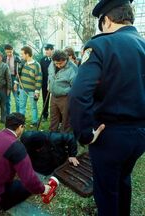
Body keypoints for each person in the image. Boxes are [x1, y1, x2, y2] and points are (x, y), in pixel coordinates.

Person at [69, 0, 145, 215]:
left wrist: (85, 134)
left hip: (109, 135)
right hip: (140, 135)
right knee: (123, 181)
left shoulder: (101, 45)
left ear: (107, 20)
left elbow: (78, 95)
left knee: (106, 192)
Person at [0, 113, 50, 216]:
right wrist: (43, 189)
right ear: (20, 127)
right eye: (23, 127)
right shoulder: (17, 147)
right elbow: (29, 180)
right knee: (24, 187)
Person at [48, 50, 77, 133]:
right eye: (56, 63)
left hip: (65, 98)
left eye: (60, 63)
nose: (58, 65)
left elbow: (75, 87)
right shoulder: (52, 64)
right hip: (53, 96)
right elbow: (50, 75)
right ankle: (52, 135)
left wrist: (65, 91)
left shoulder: (73, 69)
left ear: (65, 59)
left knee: (66, 118)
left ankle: (64, 136)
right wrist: (48, 84)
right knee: (53, 117)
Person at [14, 46, 42, 128]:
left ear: (27, 54)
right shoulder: (22, 63)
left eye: (22, 54)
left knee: (34, 106)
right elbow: (18, 74)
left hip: (32, 90)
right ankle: (21, 122)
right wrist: (15, 83)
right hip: (22, 89)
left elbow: (39, 78)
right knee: (22, 106)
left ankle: (34, 121)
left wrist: (37, 91)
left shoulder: (36, 65)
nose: (21, 55)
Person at [3, 44, 21, 114]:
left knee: (17, 98)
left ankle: (18, 113)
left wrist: (17, 81)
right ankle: (8, 114)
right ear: (5, 51)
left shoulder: (17, 58)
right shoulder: (3, 58)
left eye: (10, 52)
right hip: (6, 79)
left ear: (13, 50)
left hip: (14, 78)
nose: (9, 53)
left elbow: (20, 71)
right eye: (7, 52)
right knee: (7, 98)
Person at [39, 44, 54, 121]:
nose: (46, 51)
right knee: (45, 99)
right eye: (46, 50)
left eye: (48, 49)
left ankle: (56, 116)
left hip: (55, 83)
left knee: (55, 100)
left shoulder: (56, 59)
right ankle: (45, 115)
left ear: (52, 50)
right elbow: (40, 72)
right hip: (45, 83)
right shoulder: (42, 60)